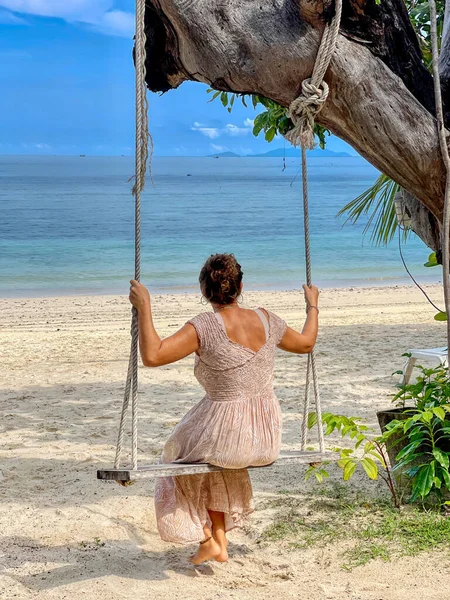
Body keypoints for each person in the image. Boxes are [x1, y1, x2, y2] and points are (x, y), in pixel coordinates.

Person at [129, 253, 319, 565]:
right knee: (215, 459)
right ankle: (218, 541)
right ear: (240, 286)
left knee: (174, 453)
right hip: (265, 437)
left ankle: (206, 535)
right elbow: (306, 343)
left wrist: (144, 306)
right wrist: (312, 304)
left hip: (228, 434)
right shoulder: (268, 319)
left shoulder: (205, 327)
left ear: (204, 291)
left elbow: (153, 356)